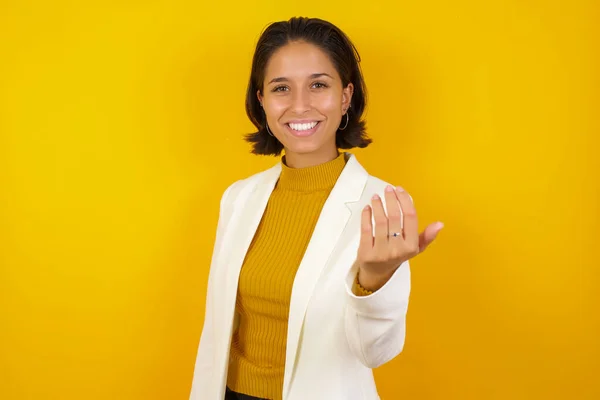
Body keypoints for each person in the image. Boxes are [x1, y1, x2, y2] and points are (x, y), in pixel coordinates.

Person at [189, 16, 443, 400]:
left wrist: (374, 281)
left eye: (318, 85)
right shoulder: (238, 198)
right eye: (281, 88)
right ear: (262, 100)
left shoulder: (381, 206)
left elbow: (375, 352)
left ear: (345, 96)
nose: (300, 105)